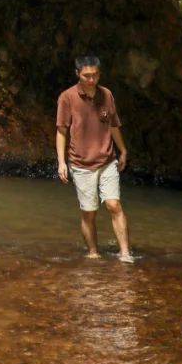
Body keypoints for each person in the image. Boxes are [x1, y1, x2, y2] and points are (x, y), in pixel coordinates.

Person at [56, 56, 133, 261]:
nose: (91, 80)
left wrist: (123, 150)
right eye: (87, 76)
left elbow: (114, 125)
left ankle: (125, 253)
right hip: (81, 163)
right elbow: (61, 131)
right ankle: (93, 253)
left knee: (114, 204)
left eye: (95, 75)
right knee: (89, 212)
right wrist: (61, 162)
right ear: (78, 74)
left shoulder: (106, 94)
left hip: (107, 160)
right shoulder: (67, 97)